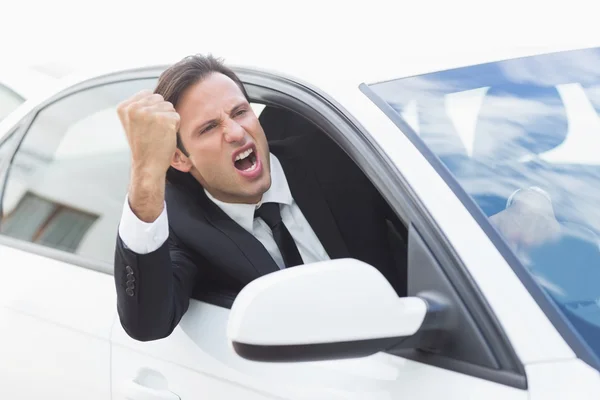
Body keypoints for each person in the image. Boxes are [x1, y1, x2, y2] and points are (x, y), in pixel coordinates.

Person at [114, 54, 408, 341]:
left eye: (240, 112)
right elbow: (147, 323)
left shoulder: (340, 158)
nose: (236, 132)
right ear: (179, 158)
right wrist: (146, 169)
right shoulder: (183, 225)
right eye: (209, 127)